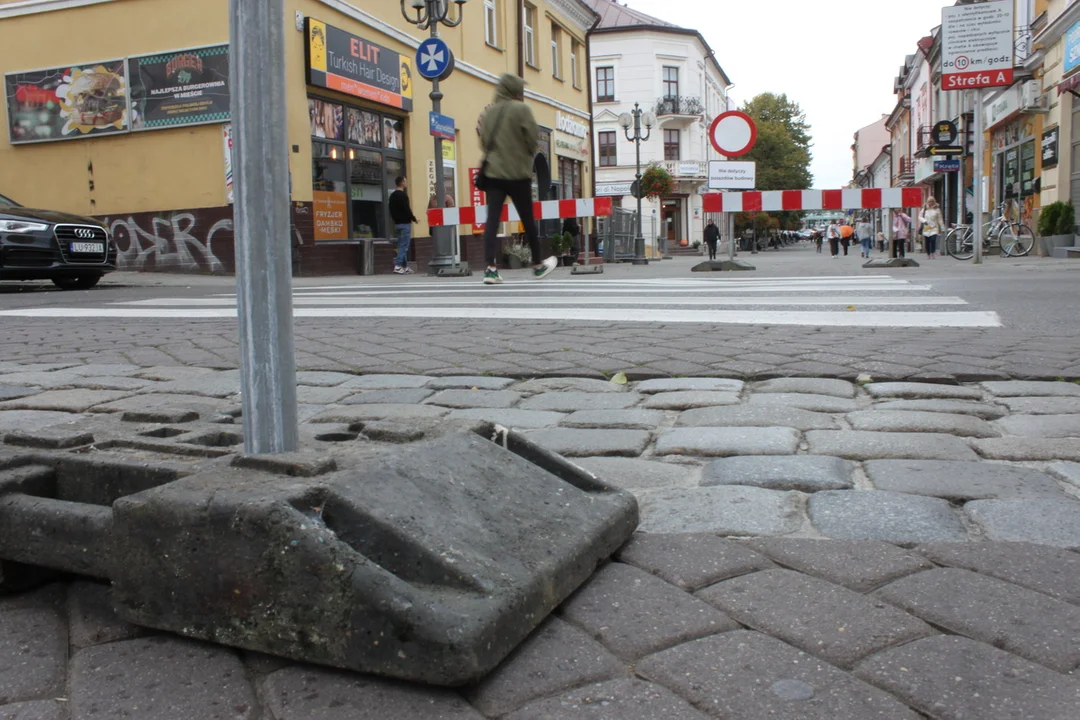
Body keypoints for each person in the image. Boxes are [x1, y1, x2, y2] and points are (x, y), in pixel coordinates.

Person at [478, 73, 557, 285]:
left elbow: (483, 142)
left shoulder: (489, 112)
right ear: (514, 91)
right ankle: (538, 265)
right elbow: (532, 139)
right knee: (527, 219)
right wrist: (525, 154)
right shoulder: (522, 109)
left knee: (492, 220)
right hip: (517, 173)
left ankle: (490, 269)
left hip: (493, 173)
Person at [388, 176, 417, 274]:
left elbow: (391, 209)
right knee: (404, 246)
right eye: (405, 181)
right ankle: (397, 265)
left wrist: (395, 219)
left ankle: (404, 266)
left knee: (401, 245)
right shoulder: (403, 195)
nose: (406, 183)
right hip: (405, 223)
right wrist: (413, 218)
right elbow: (406, 209)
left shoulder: (392, 196)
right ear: (402, 183)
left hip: (397, 224)